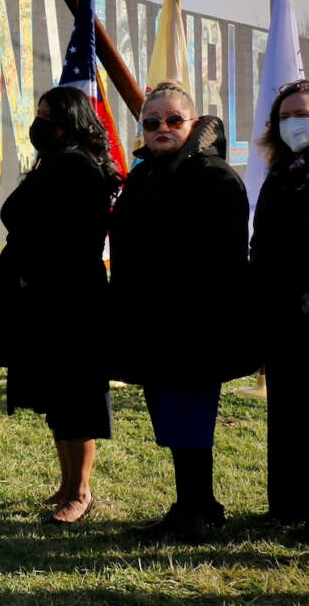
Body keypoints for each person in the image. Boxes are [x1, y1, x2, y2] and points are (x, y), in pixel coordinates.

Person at [111, 81, 255, 542]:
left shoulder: (215, 177)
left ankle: (196, 511)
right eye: (152, 123)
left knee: (191, 420)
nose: (163, 129)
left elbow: (224, 260)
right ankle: (195, 504)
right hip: (151, 323)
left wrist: (191, 310)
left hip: (196, 326)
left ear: (193, 123)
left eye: (174, 120)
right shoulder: (144, 176)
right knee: (171, 419)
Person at [0, 87, 120, 523]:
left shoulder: (77, 167)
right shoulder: (55, 161)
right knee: (57, 397)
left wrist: (33, 274)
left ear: (70, 120)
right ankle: (65, 485)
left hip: (69, 302)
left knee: (76, 397)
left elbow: (72, 238)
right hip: (44, 303)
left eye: (48, 115)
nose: (39, 122)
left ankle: (80, 492)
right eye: (38, 113)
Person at [252, 78, 309, 525]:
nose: (294, 124)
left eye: (303, 114)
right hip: (283, 316)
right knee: (288, 415)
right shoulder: (278, 176)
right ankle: (287, 506)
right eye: (286, 116)